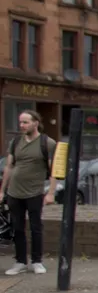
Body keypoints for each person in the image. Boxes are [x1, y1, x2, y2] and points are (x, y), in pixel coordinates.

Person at [2, 110, 57, 276]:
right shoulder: (16, 141)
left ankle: (36, 261)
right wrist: (2, 190)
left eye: (25, 122)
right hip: (14, 192)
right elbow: (9, 167)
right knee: (17, 228)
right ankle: (20, 261)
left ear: (35, 123)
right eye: (20, 122)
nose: (22, 125)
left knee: (35, 227)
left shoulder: (47, 143)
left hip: (34, 192)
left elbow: (54, 170)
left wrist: (51, 193)